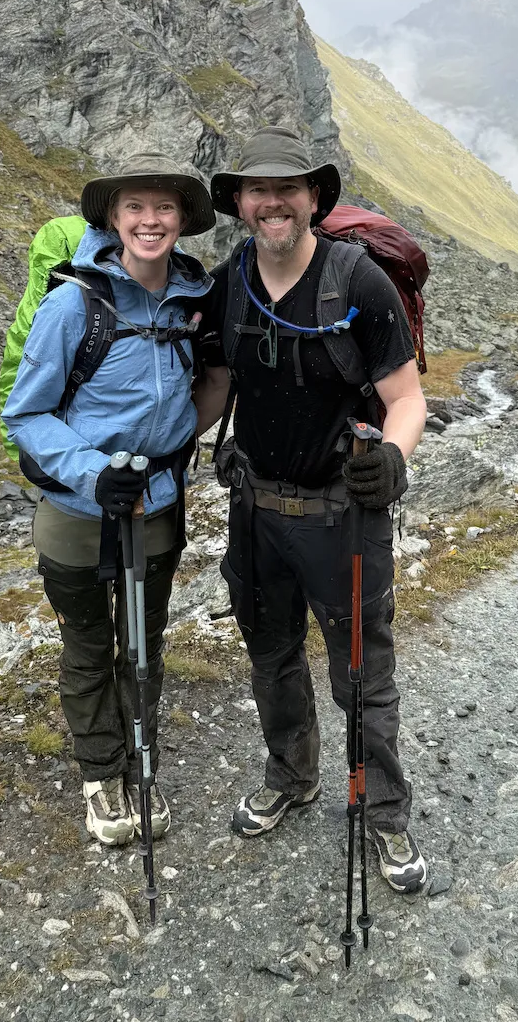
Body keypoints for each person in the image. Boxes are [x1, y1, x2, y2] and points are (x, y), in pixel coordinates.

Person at [193, 126, 429, 893]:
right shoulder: (232, 280)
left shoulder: (357, 281)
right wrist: (146, 449)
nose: (272, 203)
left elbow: (406, 399)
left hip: (341, 515)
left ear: (313, 198)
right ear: (238, 202)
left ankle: (383, 813)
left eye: (287, 189)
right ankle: (291, 778)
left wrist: (392, 458)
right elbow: (219, 387)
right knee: (272, 659)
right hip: (255, 510)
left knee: (361, 674)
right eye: (257, 190)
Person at [2, 154, 215, 846]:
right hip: (76, 514)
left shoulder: (191, 302)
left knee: (144, 645)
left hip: (154, 510)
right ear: (113, 219)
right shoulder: (75, 303)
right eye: (135, 208)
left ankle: (140, 761)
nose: (150, 221)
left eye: (164, 209)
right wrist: (94, 472)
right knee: (90, 646)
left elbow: (202, 389)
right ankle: (102, 778)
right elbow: (26, 414)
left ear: (182, 221)